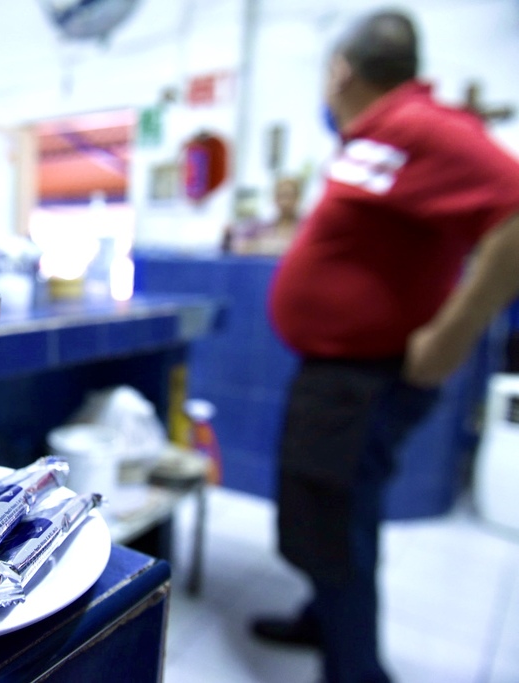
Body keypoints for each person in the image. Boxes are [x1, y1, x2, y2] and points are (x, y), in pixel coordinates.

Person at [254, 9, 519, 683]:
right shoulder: (376, 137)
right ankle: (321, 620)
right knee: (320, 509)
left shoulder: (420, 125)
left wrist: (453, 334)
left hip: (365, 377)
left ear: (341, 71)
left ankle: (357, 670)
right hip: (334, 371)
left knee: (341, 520)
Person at [228, 176, 304, 255]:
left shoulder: (305, 228)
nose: (285, 202)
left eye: (289, 196)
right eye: (281, 196)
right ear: (275, 198)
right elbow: (237, 244)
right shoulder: (261, 227)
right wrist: (258, 245)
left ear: (298, 198)